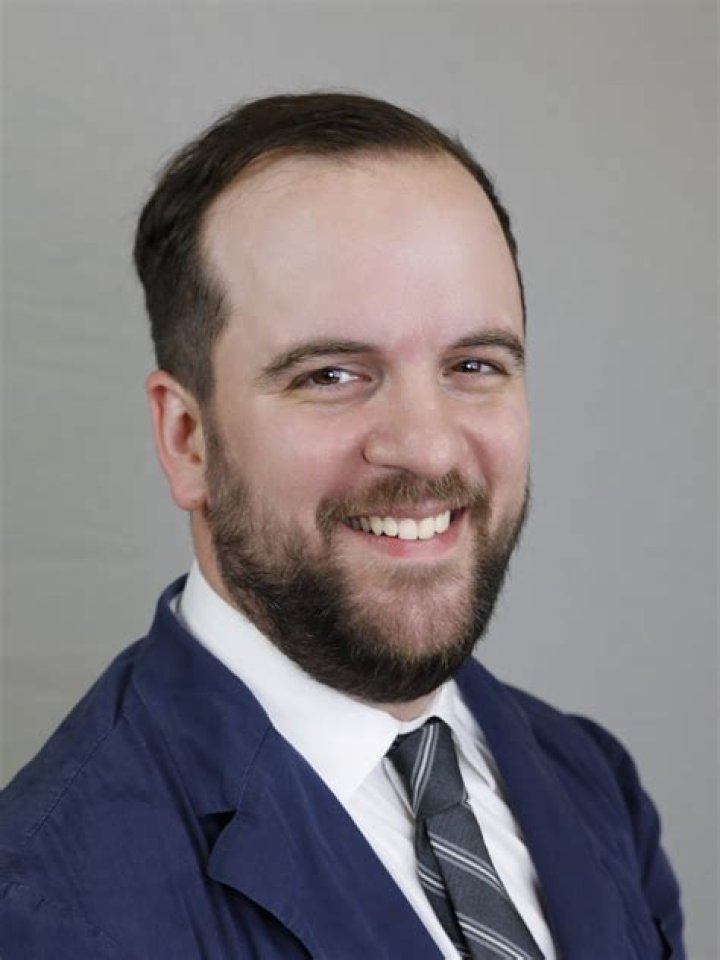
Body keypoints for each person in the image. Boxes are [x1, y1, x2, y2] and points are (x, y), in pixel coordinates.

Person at [0, 92, 684, 960]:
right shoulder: (51, 910)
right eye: (330, 375)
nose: (427, 446)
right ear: (187, 440)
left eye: (474, 364)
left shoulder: (590, 781)